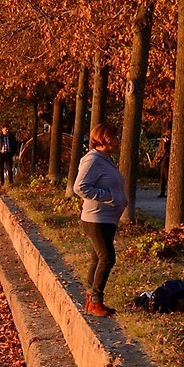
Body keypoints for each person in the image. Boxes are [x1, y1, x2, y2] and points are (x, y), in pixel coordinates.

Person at [75, 122, 127, 317]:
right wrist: (108, 197)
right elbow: (80, 187)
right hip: (96, 218)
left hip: (106, 218)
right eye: (115, 136)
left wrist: (121, 199)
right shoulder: (93, 160)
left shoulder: (106, 159)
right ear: (105, 138)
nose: (118, 140)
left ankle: (91, 298)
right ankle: (96, 300)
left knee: (97, 258)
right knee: (107, 257)